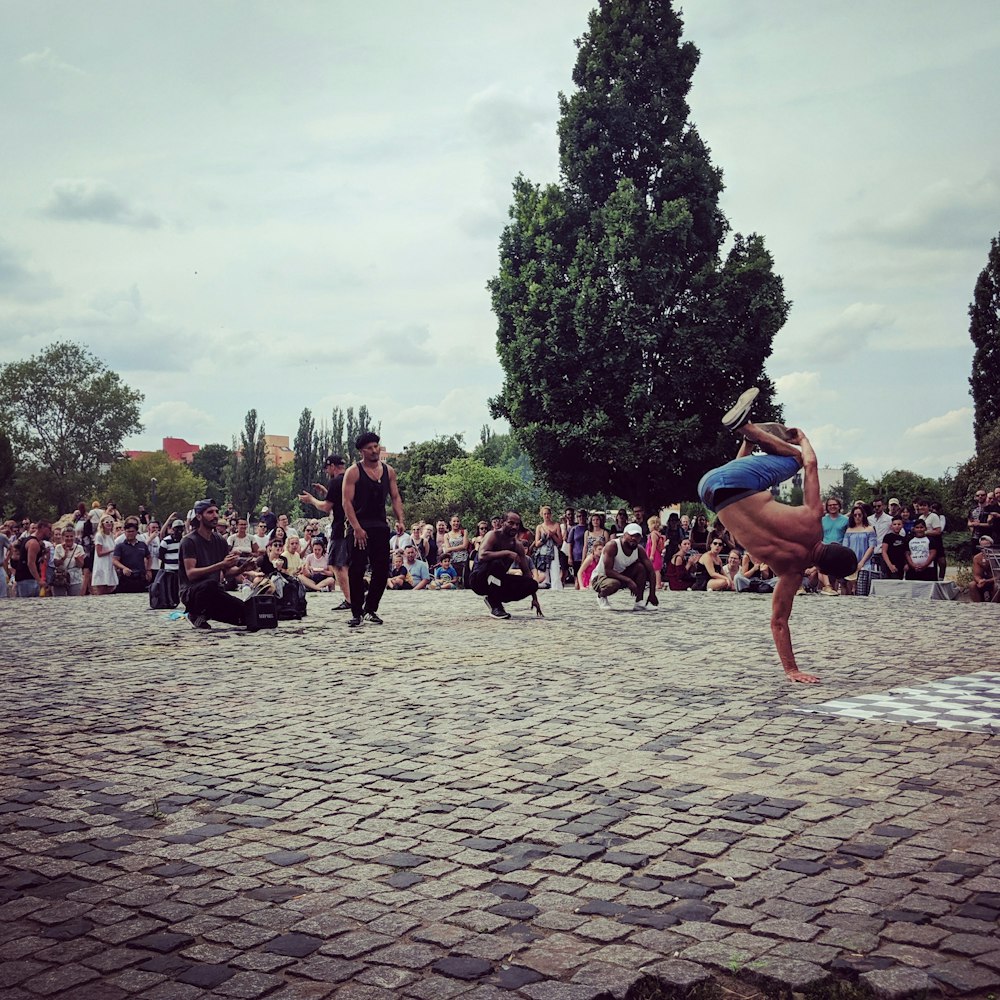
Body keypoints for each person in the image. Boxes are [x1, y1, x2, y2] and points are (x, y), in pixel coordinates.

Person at [696, 387, 857, 682]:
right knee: (752, 488)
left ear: (833, 543)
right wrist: (791, 670)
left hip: (732, 478)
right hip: (709, 494)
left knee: (795, 458)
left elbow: (810, 463)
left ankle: (748, 431)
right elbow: (779, 622)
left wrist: (803, 439)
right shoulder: (791, 573)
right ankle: (747, 432)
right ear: (824, 571)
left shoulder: (813, 521)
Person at [342, 432, 404, 627]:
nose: (374, 450)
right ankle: (356, 612)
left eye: (376, 446)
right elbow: (346, 502)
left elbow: (395, 497)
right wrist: (357, 528)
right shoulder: (354, 472)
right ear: (362, 451)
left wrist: (400, 519)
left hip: (380, 526)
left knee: (381, 570)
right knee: (357, 570)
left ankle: (371, 609)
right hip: (359, 526)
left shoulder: (389, 471)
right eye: (369, 447)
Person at [179, 499, 255, 630]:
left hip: (214, 592)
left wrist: (242, 568)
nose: (215, 515)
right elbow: (191, 574)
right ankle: (195, 613)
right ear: (199, 516)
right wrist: (220, 565)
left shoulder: (220, 540)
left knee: (249, 616)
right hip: (193, 594)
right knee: (210, 584)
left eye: (216, 512)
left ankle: (207, 613)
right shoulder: (189, 541)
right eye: (210, 512)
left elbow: (226, 572)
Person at [298, 454, 352, 611]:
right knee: (347, 565)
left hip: (340, 527)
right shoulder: (350, 479)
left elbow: (326, 507)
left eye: (328, 468)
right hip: (352, 527)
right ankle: (353, 598)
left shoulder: (336, 481)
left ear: (332, 466)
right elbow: (341, 500)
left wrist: (312, 500)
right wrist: (326, 492)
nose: (327, 471)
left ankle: (349, 600)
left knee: (338, 565)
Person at [469, 511, 543, 619]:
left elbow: (526, 572)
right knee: (496, 563)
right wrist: (507, 553)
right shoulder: (492, 535)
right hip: (478, 579)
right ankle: (496, 606)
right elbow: (482, 555)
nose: (514, 527)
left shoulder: (517, 545)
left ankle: (494, 599)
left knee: (532, 584)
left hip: (498, 581)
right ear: (502, 523)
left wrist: (534, 598)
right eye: (511, 523)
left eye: (517, 524)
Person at [591, 523, 659, 611]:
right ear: (624, 535)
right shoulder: (612, 546)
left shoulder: (639, 549)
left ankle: (639, 601)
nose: (634, 538)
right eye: (631, 535)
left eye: (637, 536)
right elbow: (608, 571)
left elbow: (651, 571)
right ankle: (601, 597)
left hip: (621, 575)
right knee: (614, 584)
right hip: (601, 577)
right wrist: (629, 580)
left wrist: (652, 594)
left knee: (640, 567)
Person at [842, 506, 876, 596]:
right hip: (851, 563)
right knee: (849, 590)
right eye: (855, 515)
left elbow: (871, 547)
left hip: (865, 563)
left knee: (862, 591)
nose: (857, 517)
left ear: (863, 516)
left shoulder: (869, 529)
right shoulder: (849, 530)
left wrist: (862, 562)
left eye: (859, 515)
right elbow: (845, 548)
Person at [112, 519, 152, 593]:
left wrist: (148, 570)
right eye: (128, 532)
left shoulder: (142, 545)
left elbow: (149, 557)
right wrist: (123, 568)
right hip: (126, 578)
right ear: (125, 532)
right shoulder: (120, 546)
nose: (130, 534)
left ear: (136, 532)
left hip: (141, 577)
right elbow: (115, 560)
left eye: (132, 531)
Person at [532, 506, 564, 590]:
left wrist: (552, 535)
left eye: (548, 514)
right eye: (544, 514)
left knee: (555, 570)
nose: (546, 516)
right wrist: (544, 538)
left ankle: (556, 588)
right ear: (542, 515)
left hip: (553, 549)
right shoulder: (539, 527)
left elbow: (560, 541)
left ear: (551, 515)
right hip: (543, 550)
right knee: (543, 572)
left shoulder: (556, 525)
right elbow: (536, 543)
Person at [18, 521, 51, 597]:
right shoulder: (33, 543)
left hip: (26, 579)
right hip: (27, 579)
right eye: (49, 528)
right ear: (42, 528)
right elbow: (30, 563)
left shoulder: (33, 541)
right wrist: (39, 580)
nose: (50, 531)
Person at [92, 515, 119, 595]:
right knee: (102, 588)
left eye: (111, 522)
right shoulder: (99, 536)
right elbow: (99, 553)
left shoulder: (111, 536)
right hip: (102, 564)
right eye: (107, 522)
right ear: (102, 524)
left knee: (111, 586)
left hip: (110, 564)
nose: (109, 523)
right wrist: (112, 550)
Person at [970, 536, 996, 603]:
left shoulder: (997, 556)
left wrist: (987, 581)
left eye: (987, 546)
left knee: (997, 586)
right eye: (982, 547)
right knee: (972, 585)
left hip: (994, 579)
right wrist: (979, 580)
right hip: (984, 580)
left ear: (991, 545)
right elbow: (976, 574)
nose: (984, 549)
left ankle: (994, 604)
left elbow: (998, 575)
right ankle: (978, 605)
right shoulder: (977, 558)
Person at [646, 515, 665, 591]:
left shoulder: (653, 534)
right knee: (656, 570)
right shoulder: (658, 534)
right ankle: (657, 582)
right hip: (657, 554)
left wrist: (652, 555)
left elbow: (653, 545)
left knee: (656, 570)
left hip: (655, 554)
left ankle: (658, 584)